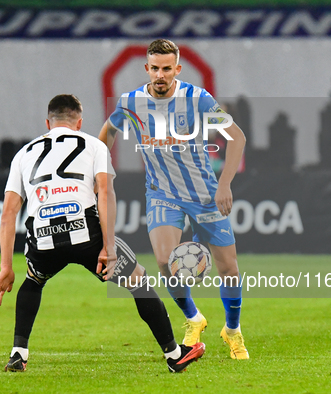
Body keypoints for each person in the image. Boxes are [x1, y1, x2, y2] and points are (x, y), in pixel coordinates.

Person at [0, 94, 205, 373]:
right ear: (79, 122)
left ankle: (18, 354)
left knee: (34, 279)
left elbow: (8, 213)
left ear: (47, 122)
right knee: (138, 281)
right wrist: (109, 248)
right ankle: (174, 354)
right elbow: (105, 193)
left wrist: (6, 267)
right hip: (85, 233)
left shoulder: (23, 153)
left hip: (42, 236)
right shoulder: (93, 145)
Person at [99, 39, 249, 359]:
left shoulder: (198, 98)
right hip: (162, 195)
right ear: (147, 69)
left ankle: (232, 330)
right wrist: (100, 170)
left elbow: (237, 137)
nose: (160, 74)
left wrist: (224, 185)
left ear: (177, 69)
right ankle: (194, 318)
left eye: (167, 69)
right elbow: (107, 134)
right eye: (155, 68)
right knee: (166, 262)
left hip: (205, 195)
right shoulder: (131, 102)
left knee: (229, 269)